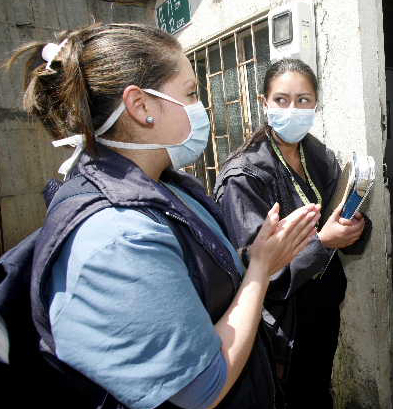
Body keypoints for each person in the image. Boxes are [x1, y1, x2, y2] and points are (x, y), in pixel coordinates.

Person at [5, 23, 321, 409]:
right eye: (190, 93)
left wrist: (256, 254)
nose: (201, 107)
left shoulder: (165, 185)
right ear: (141, 106)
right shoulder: (119, 237)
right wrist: (259, 268)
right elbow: (202, 387)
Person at [213, 58, 372, 409]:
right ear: (264, 103)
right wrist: (324, 241)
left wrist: (355, 225)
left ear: (316, 104)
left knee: (317, 393)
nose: (293, 109)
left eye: (303, 100)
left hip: (323, 309)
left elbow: (342, 215)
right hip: (281, 327)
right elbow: (255, 273)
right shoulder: (244, 177)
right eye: (282, 100)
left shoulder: (319, 156)